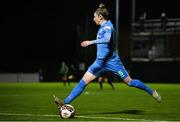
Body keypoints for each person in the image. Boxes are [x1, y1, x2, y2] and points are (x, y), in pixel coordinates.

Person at [54, 3, 161, 108]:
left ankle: (151, 92)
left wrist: (90, 42)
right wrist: (100, 7)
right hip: (99, 62)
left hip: (112, 62)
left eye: (94, 17)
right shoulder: (102, 26)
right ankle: (64, 102)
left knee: (130, 82)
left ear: (100, 17)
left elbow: (107, 39)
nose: (93, 19)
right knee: (83, 81)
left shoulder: (108, 27)